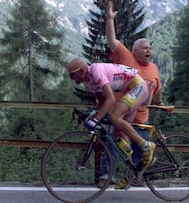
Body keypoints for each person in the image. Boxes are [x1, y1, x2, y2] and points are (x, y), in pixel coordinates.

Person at [98, 0, 167, 189]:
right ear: (135, 50)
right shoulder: (125, 57)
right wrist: (110, 19)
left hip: (141, 118)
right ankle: (106, 176)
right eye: (145, 48)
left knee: (139, 152)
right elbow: (111, 40)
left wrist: (161, 104)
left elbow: (157, 91)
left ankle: (135, 178)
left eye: (150, 48)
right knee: (113, 145)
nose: (149, 51)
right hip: (121, 115)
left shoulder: (153, 68)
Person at [67, 57, 156, 188]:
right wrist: (93, 116)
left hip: (138, 86)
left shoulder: (96, 71)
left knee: (115, 117)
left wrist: (96, 119)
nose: (71, 78)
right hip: (130, 90)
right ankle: (132, 172)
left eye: (72, 75)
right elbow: (102, 101)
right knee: (120, 132)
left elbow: (111, 98)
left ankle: (146, 145)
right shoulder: (88, 81)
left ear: (82, 71)